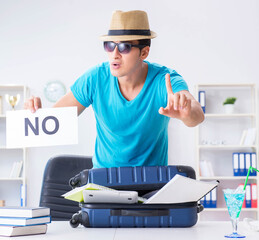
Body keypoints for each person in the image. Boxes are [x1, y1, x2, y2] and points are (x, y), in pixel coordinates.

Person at [24, 10, 204, 168]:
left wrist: (187, 114)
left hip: (152, 183)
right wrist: (37, 114)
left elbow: (196, 113)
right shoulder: (95, 78)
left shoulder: (164, 80)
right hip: (104, 182)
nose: (114, 54)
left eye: (124, 47)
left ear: (144, 52)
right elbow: (55, 121)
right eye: (109, 45)